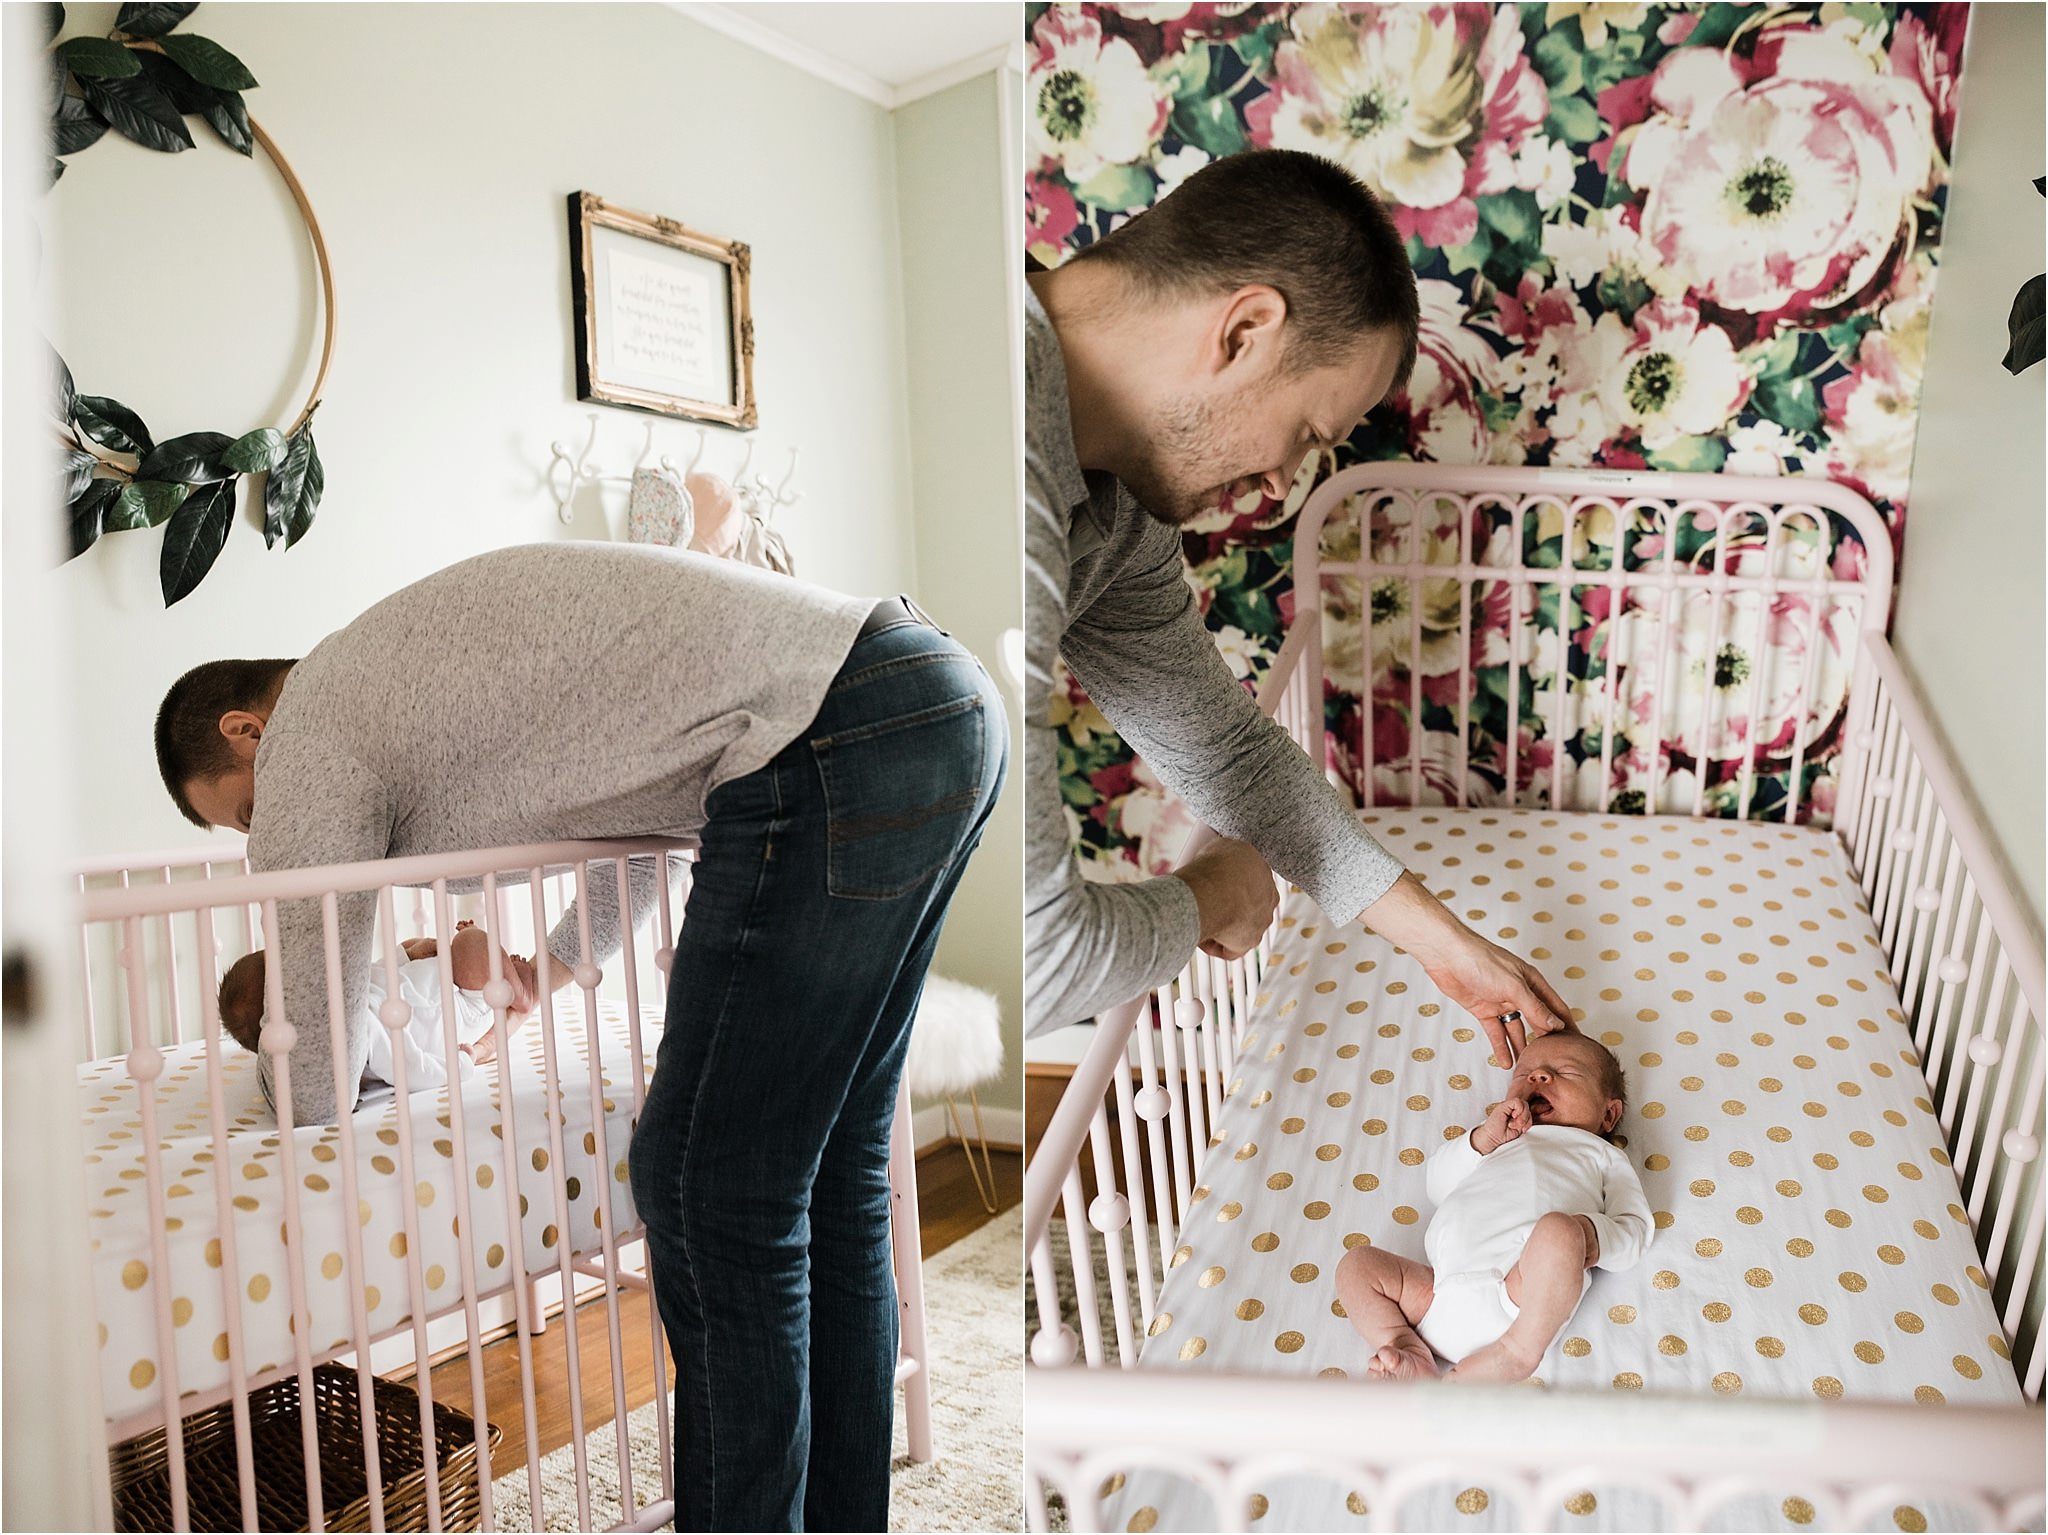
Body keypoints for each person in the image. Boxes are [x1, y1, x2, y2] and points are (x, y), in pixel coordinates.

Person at [152, 543, 1007, 1533]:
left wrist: (283, 1074)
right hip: (932, 697)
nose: (270, 834)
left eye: (251, 811)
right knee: (828, 1175)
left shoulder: (310, 727)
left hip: (833, 735)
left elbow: (311, 1017)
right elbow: (651, 833)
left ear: (247, 727)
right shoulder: (404, 682)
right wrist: (542, 978)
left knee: (712, 1186)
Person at [1024, 146, 1572, 1068]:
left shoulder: (1115, 514)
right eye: (1309, 434)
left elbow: (1229, 751)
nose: (1281, 484)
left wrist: (1447, 946)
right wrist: (1210, 894)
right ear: (1245, 331)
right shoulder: (1007, 472)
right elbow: (1039, 962)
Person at [1333, 1029, 1652, 1382]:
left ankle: (1517, 1353)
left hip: (1519, 1293)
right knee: (1356, 1265)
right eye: (1524, 1073)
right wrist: (1483, 1139)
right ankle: (1408, 1347)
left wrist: (1589, 1236)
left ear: (1608, 1116)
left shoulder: (1601, 1154)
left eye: (1567, 1072)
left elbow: (1635, 1228)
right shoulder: (1495, 1139)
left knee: (1560, 1231)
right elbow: (1438, 1186)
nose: (1538, 1076)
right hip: (1434, 1295)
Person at [215, 922, 539, 1092]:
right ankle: (520, 991)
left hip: (435, 987)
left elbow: (376, 974)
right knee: (470, 940)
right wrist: (461, 1063)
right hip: (457, 1003)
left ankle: (502, 976)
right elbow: (407, 1067)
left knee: (414, 945)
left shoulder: (344, 996)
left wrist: (409, 955)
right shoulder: (355, 1027)